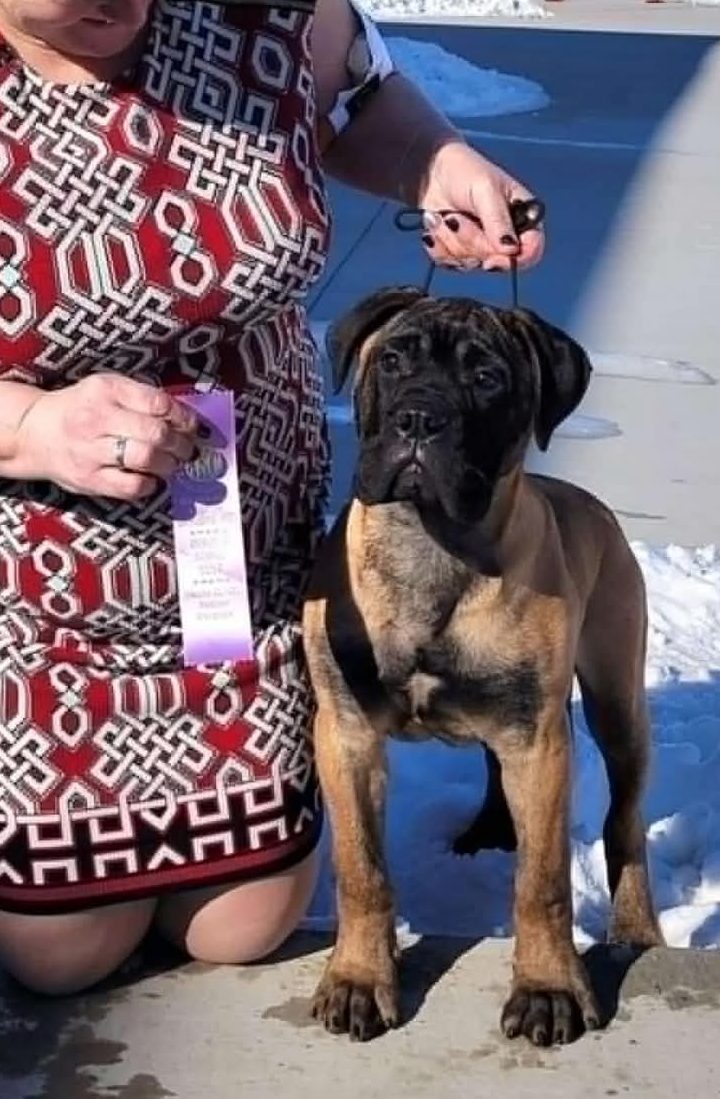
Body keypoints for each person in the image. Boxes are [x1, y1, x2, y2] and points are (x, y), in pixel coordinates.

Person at [0, 0, 544, 996]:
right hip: (42, 602)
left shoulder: (268, 10)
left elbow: (356, 101)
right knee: (64, 951)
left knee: (241, 926)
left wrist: (436, 162)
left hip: (249, 572)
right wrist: (29, 425)